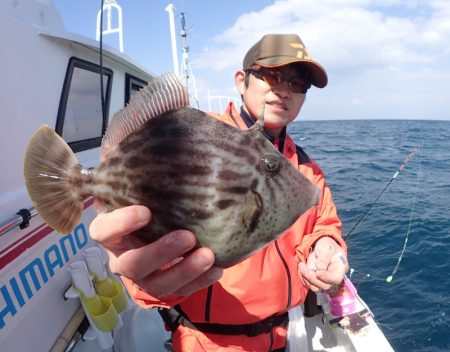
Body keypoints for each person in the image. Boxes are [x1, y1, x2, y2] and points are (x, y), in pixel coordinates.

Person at [90, 33, 349, 351]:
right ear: (242, 80)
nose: (284, 89)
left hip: (281, 337)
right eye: (272, 75)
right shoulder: (194, 138)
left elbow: (324, 224)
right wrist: (137, 271)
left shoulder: (308, 170)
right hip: (206, 341)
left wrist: (327, 246)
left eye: (298, 84)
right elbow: (151, 269)